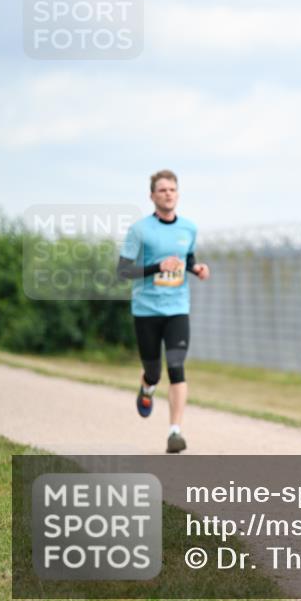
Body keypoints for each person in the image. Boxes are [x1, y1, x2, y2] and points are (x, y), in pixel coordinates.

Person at [117, 170, 210, 453]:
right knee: (154, 372)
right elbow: (123, 270)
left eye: (172, 189)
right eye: (162, 190)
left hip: (177, 308)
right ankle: (147, 387)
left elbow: (187, 259)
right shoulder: (140, 230)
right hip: (146, 310)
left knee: (176, 367)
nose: (168, 194)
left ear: (177, 194)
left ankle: (174, 432)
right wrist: (158, 267)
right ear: (152, 196)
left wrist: (196, 268)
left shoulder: (189, 228)